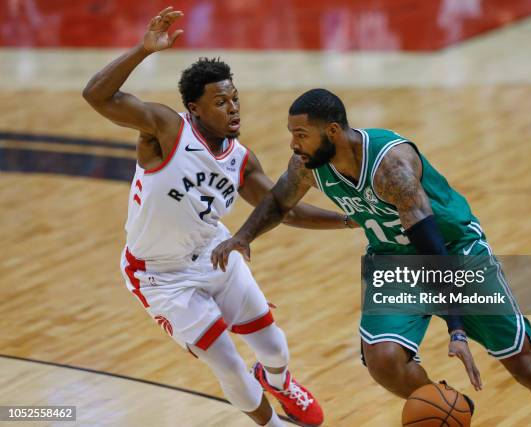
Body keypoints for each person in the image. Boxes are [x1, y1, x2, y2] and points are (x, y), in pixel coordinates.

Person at [211, 88, 531, 427]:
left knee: (525, 367)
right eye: (292, 134)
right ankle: (448, 409)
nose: (294, 144)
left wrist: (457, 329)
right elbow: (279, 202)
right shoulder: (309, 164)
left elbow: (433, 251)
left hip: (453, 255)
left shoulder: (389, 166)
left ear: (331, 132)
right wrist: (243, 237)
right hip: (392, 260)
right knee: (383, 361)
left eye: (301, 134)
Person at [82, 9, 354, 427]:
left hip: (214, 253)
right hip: (161, 275)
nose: (233, 108)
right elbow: (95, 97)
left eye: (235, 98)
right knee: (226, 361)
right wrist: (142, 50)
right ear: (194, 108)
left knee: (275, 347)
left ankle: (277, 380)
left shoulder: (241, 160)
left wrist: (350, 220)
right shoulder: (165, 129)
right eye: (221, 102)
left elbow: (287, 209)